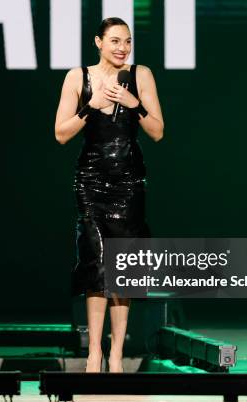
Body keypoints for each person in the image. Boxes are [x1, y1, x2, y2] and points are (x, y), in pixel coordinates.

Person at [54, 17, 164, 373]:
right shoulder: (78, 77)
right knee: (95, 265)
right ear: (98, 42)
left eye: (127, 42)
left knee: (122, 270)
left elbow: (158, 131)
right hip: (91, 182)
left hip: (129, 183)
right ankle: (94, 353)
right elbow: (60, 133)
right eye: (115, 41)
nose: (122, 48)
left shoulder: (140, 75)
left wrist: (134, 104)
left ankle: (116, 354)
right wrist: (92, 105)